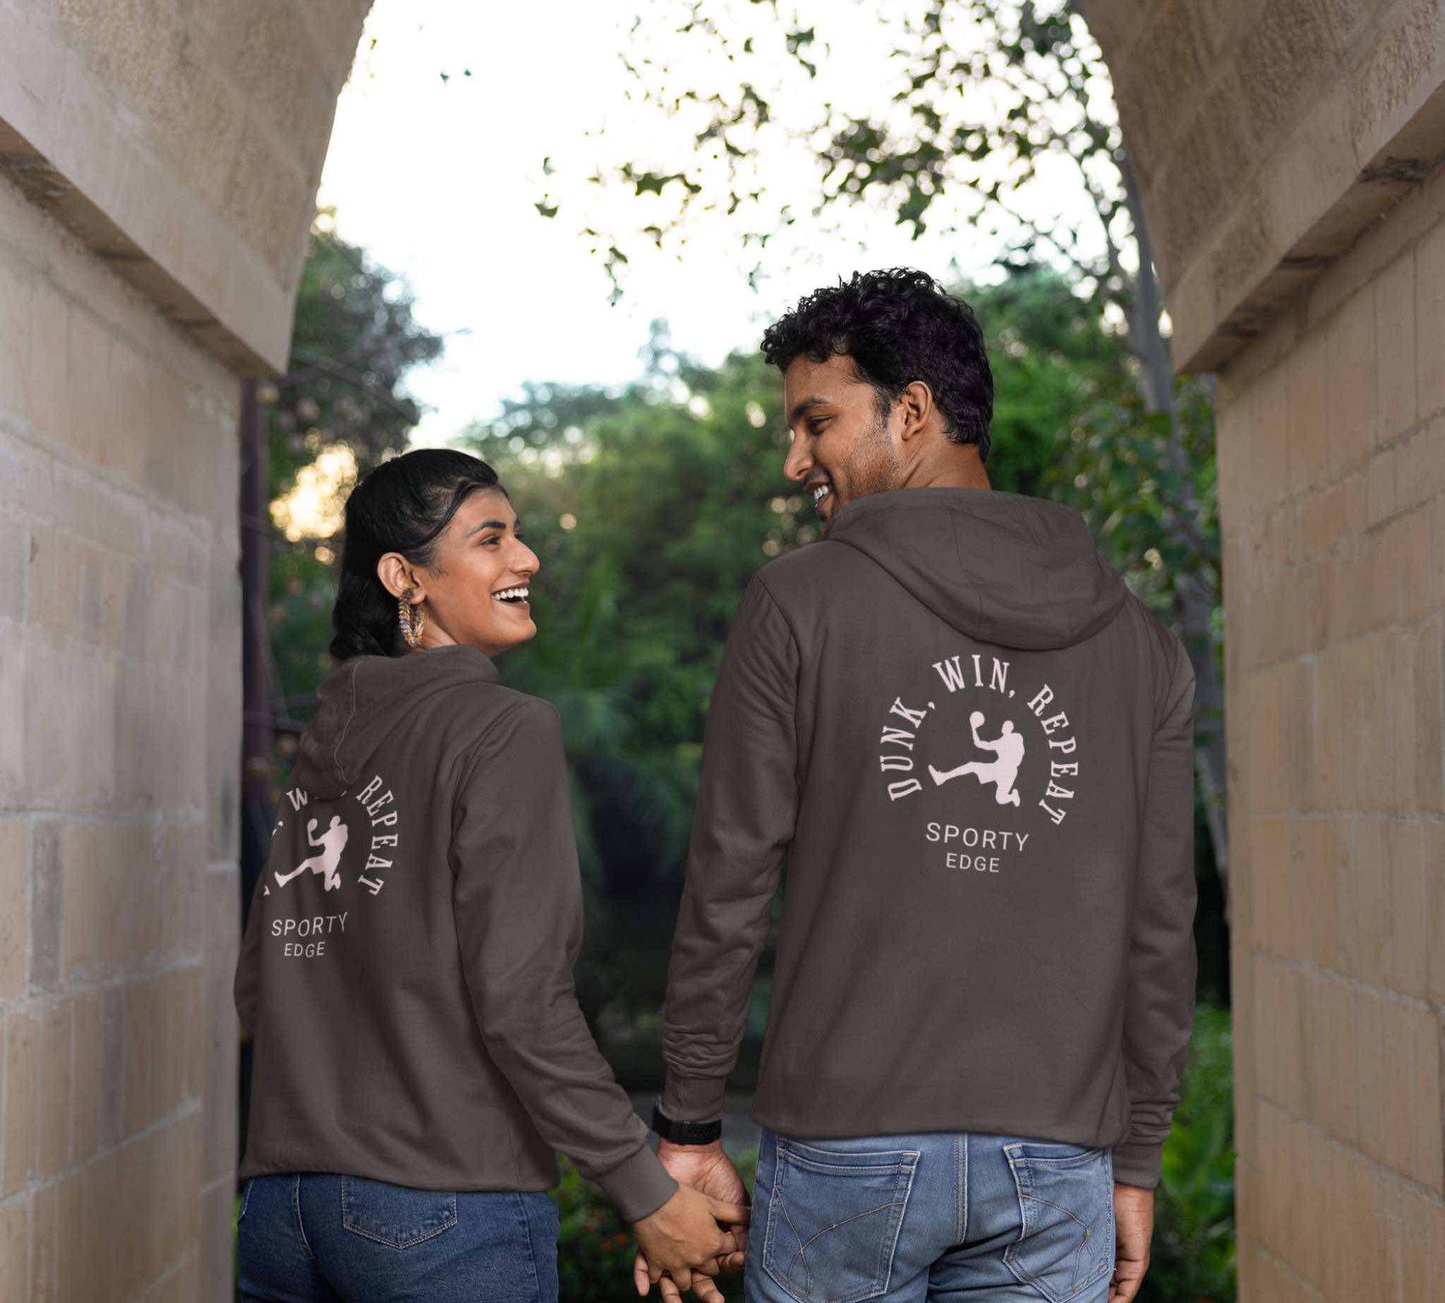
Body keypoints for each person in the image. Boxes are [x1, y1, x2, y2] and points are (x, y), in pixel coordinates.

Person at [637, 269, 1198, 1302]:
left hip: (847, 1142)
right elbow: (1158, 929)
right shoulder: (1139, 642)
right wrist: (1133, 1159)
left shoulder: (798, 602)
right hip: (1056, 1156)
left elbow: (727, 884)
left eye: (814, 422)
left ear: (911, 410)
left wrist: (685, 1125)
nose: (793, 457)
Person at [234, 449, 744, 1303]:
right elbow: (521, 998)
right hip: (442, 1214)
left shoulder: (322, 744)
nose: (527, 558)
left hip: (284, 1216)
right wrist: (643, 1190)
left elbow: (259, 987)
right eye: (490, 538)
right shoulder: (502, 728)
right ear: (406, 576)